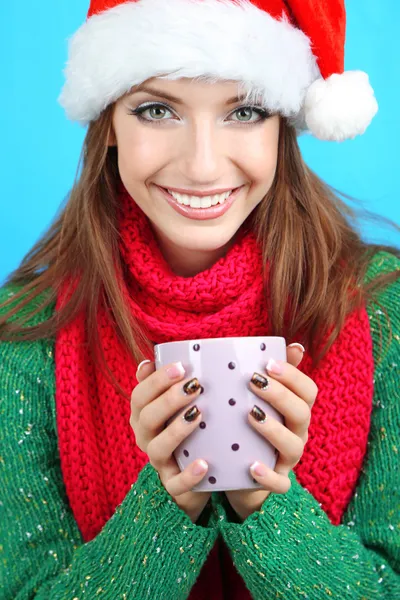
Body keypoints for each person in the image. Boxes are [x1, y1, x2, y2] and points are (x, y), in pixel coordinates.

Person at [0, 0, 399, 598]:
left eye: (245, 110)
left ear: (283, 125)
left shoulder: (383, 312)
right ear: (108, 122)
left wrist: (266, 506)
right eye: (157, 110)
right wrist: (167, 504)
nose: (203, 166)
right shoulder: (25, 334)